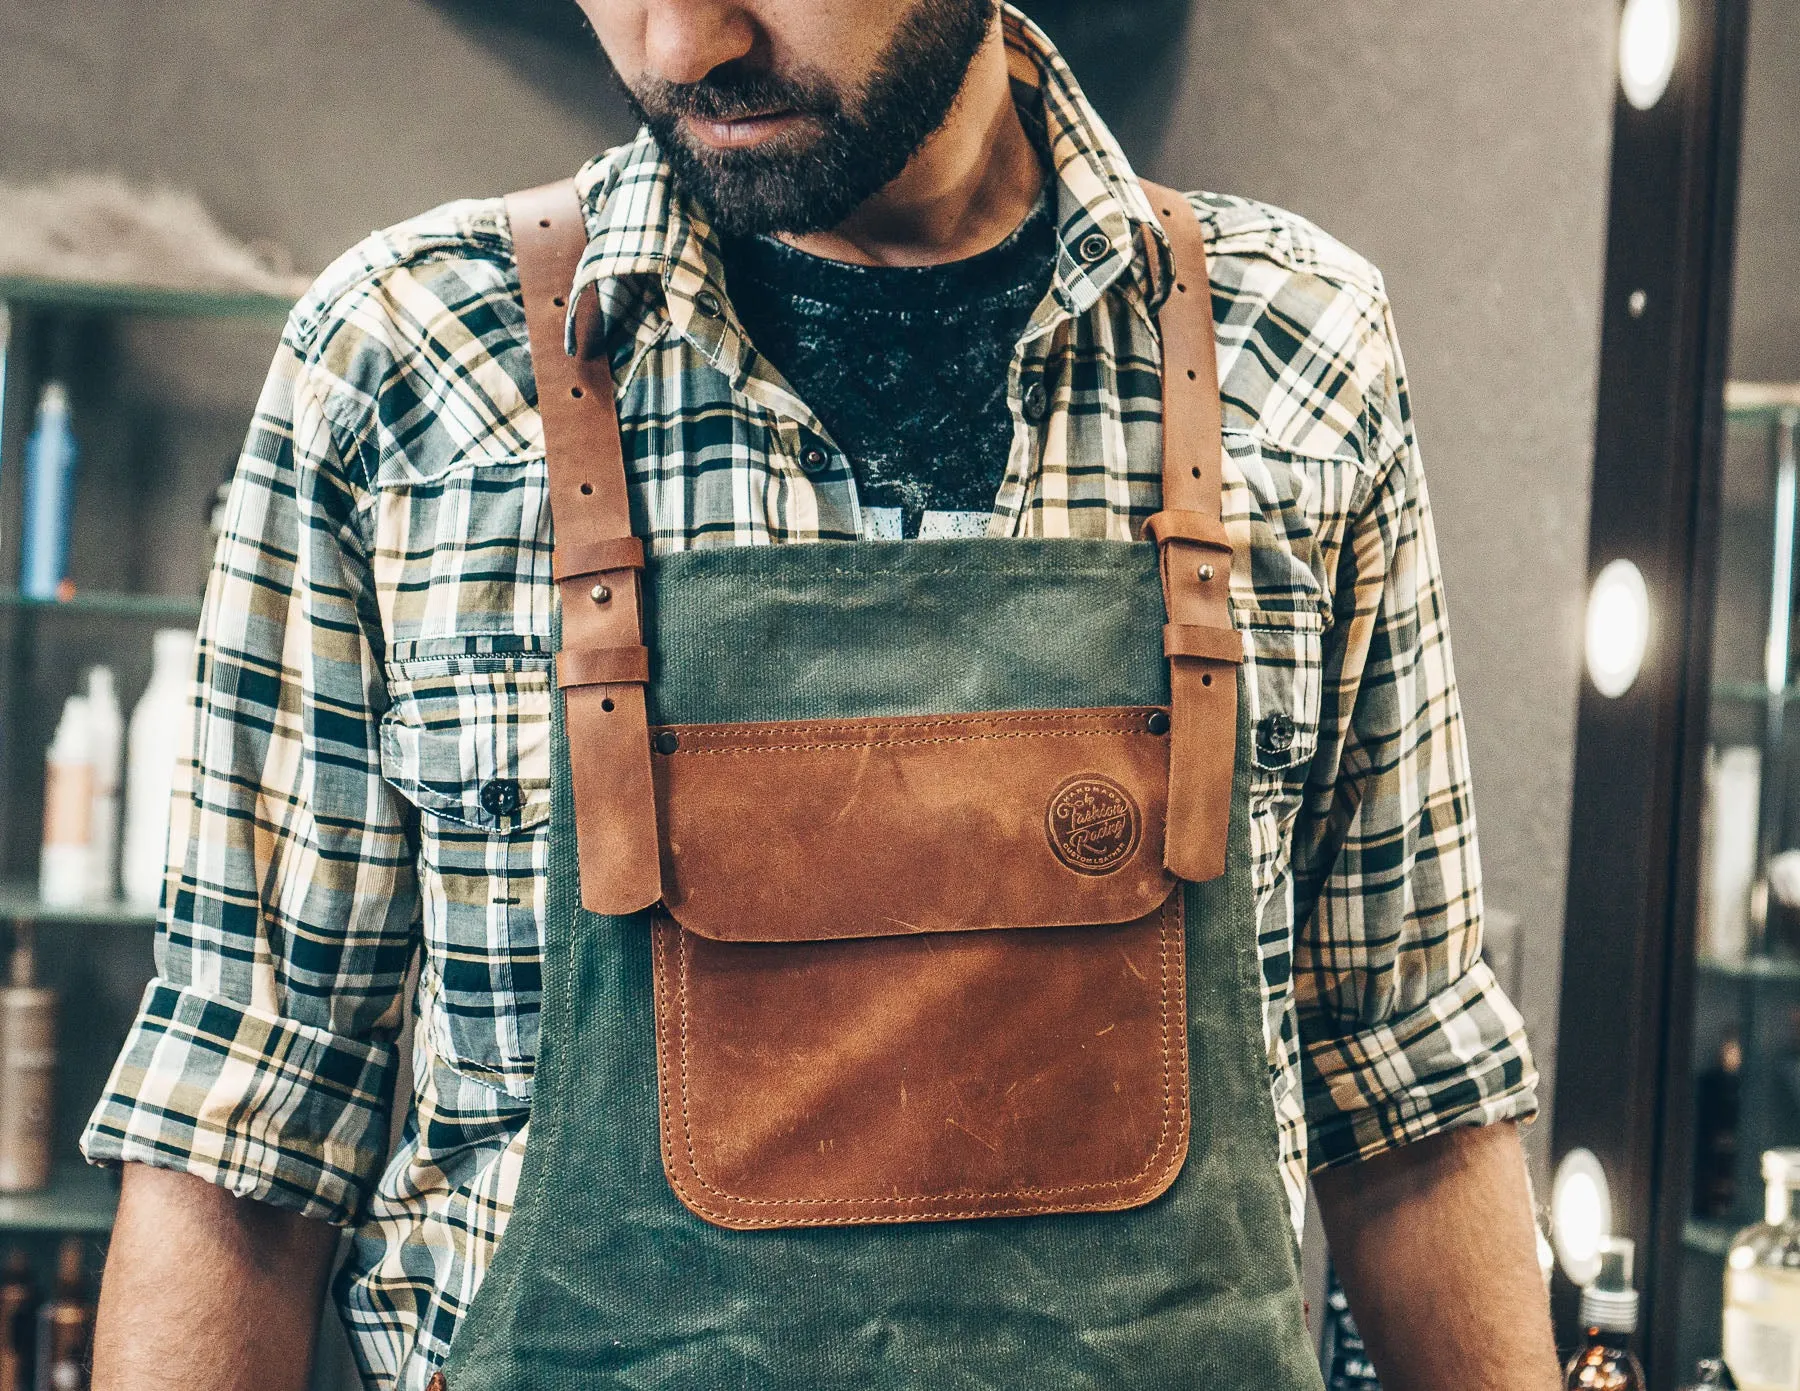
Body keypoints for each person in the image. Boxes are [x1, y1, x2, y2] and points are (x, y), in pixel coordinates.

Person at [82, 3, 1558, 1389]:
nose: (682, 41)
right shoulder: (407, 373)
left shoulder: (1294, 354)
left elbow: (1407, 1083)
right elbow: (242, 1137)